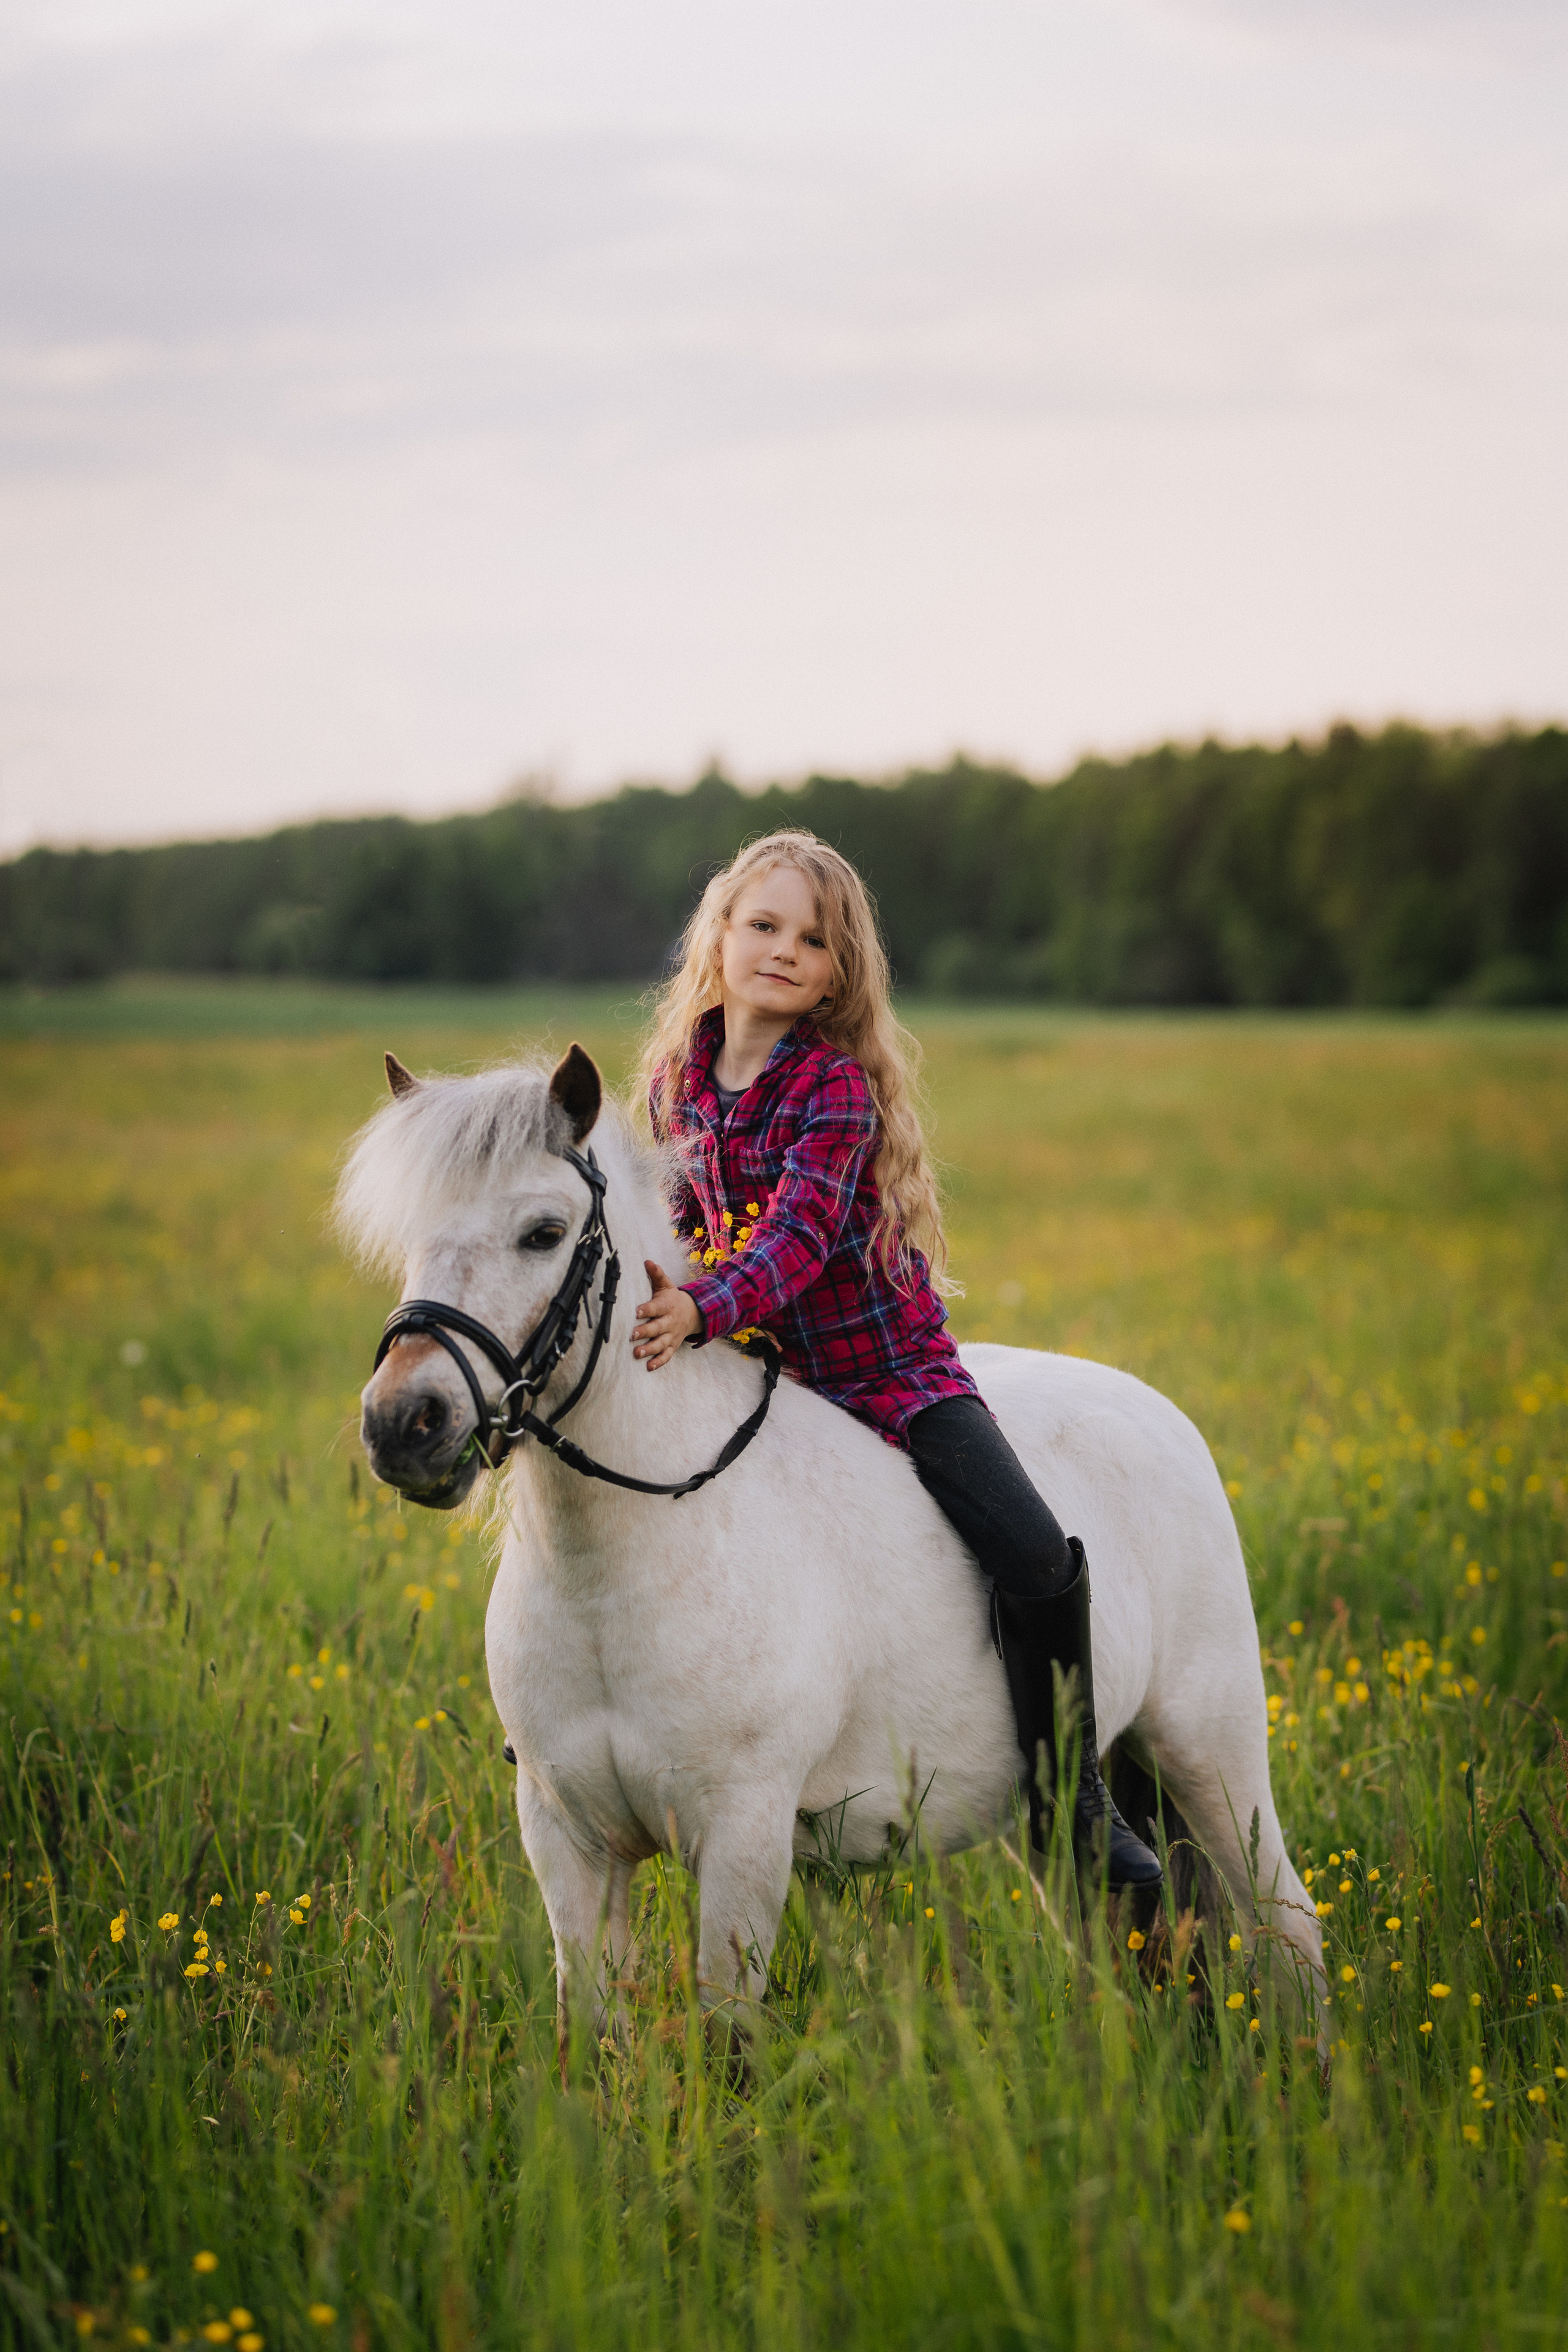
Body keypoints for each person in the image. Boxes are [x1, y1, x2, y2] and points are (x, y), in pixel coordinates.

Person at [631, 829, 1161, 1891]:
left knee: (1033, 1550)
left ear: (838, 975)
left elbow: (798, 1238)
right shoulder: (672, 1083)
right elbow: (670, 1224)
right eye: (764, 925)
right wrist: (662, 1298)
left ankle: (1072, 1797)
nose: (784, 951)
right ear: (719, 936)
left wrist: (700, 1307)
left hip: (882, 1374)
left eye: (812, 941)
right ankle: (584, 1736)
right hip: (751, 1372)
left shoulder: (831, 1087)